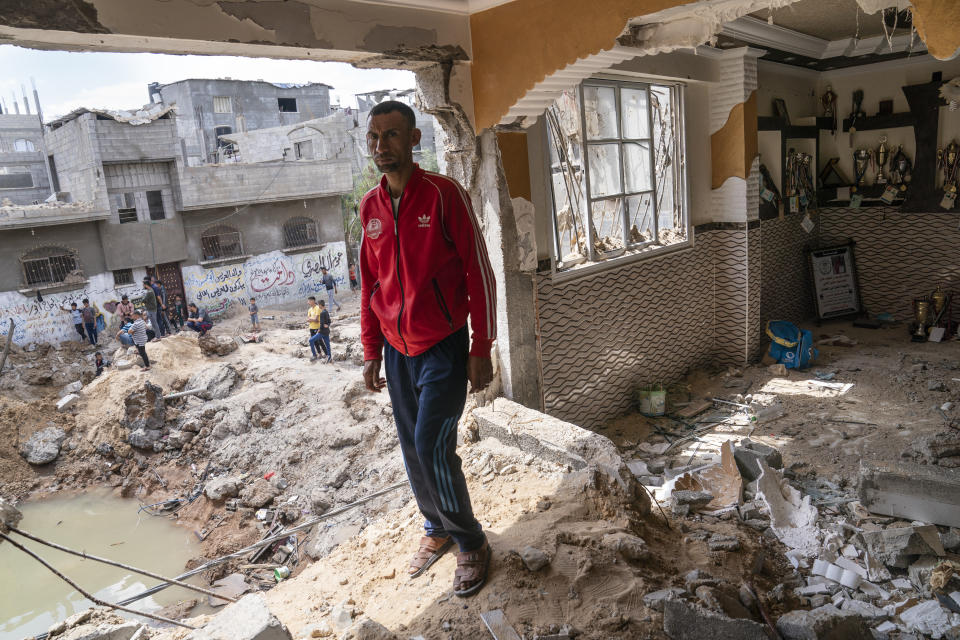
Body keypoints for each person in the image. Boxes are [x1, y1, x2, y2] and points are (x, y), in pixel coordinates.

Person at [360, 100, 496, 598]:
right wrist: (372, 348)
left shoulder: (444, 196)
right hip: (397, 351)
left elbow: (478, 272)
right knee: (412, 447)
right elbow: (370, 283)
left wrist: (481, 345)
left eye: (392, 136)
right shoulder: (370, 207)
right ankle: (435, 527)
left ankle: (471, 540)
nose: (381, 147)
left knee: (434, 446)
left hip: (442, 346)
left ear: (414, 140)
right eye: (374, 138)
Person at [307, 296, 325, 360]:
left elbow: (316, 320)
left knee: (320, 341)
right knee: (315, 342)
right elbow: (308, 319)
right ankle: (319, 354)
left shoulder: (317, 308)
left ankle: (326, 353)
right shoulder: (309, 310)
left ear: (313, 301)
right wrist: (312, 319)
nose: (308, 302)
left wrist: (311, 319)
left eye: (309, 301)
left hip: (317, 327)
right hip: (311, 327)